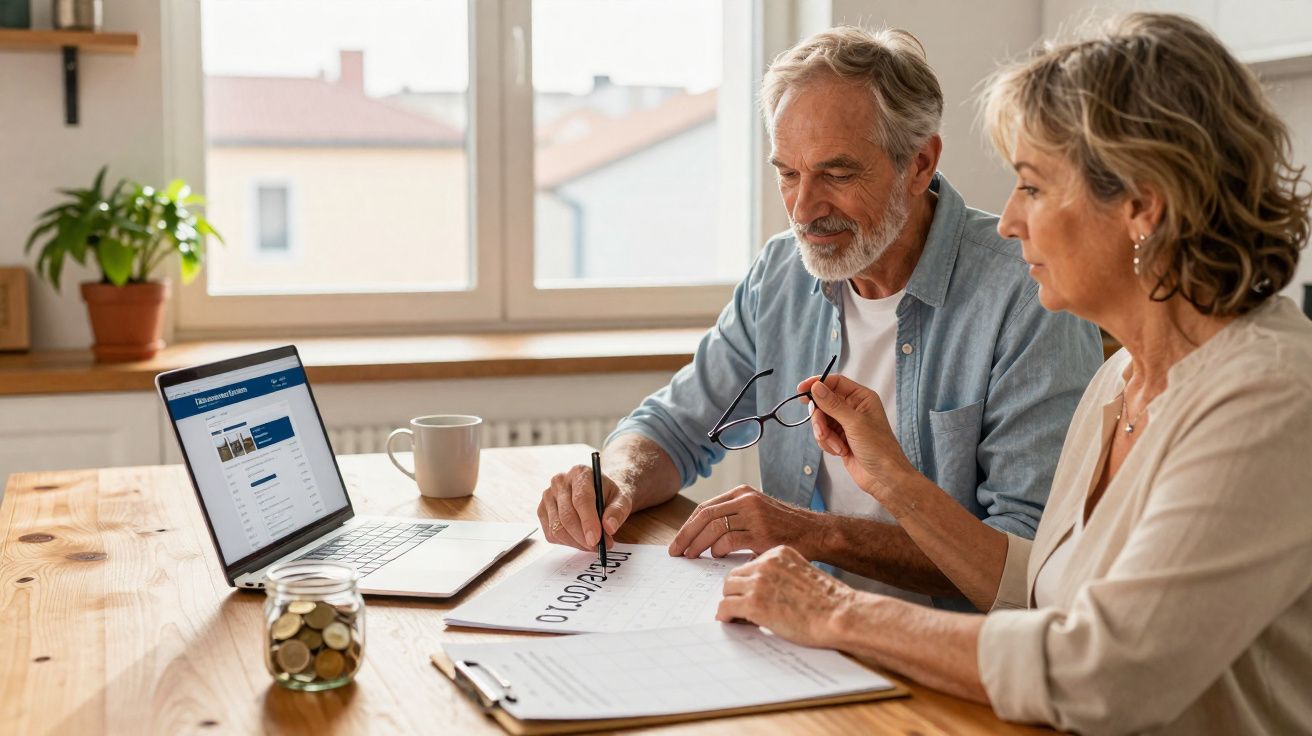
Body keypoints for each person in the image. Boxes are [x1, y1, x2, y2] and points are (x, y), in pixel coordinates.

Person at [716, 13, 1312, 734]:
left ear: (1141, 206)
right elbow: (1036, 589)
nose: (1007, 222)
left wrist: (833, 610)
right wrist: (895, 482)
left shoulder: (1270, 397)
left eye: (1032, 187)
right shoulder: (1120, 380)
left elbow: (1101, 671)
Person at [536, 26, 1102, 608]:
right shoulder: (781, 271)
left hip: (948, 657)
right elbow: (677, 427)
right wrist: (616, 482)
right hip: (798, 633)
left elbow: (1026, 561)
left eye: (836, 173)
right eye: (787, 173)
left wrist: (816, 536)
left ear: (919, 163)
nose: (804, 209)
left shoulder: (1029, 293)